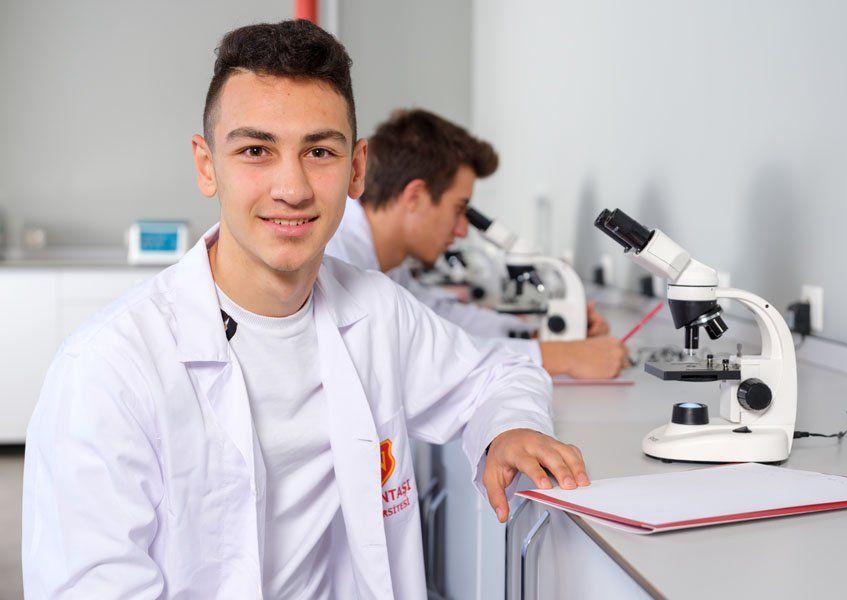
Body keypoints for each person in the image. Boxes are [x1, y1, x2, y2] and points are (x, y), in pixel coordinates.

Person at [22, 20, 590, 599]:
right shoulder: (107, 371)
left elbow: (501, 372)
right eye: (255, 151)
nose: (291, 188)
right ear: (206, 165)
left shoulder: (377, 311)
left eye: (319, 151)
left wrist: (509, 428)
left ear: (357, 169)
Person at [326, 109, 628, 380]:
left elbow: (442, 321)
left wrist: (546, 334)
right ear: (415, 196)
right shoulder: (338, 261)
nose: (461, 230)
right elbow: (419, 357)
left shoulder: (387, 265)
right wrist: (564, 357)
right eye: (458, 209)